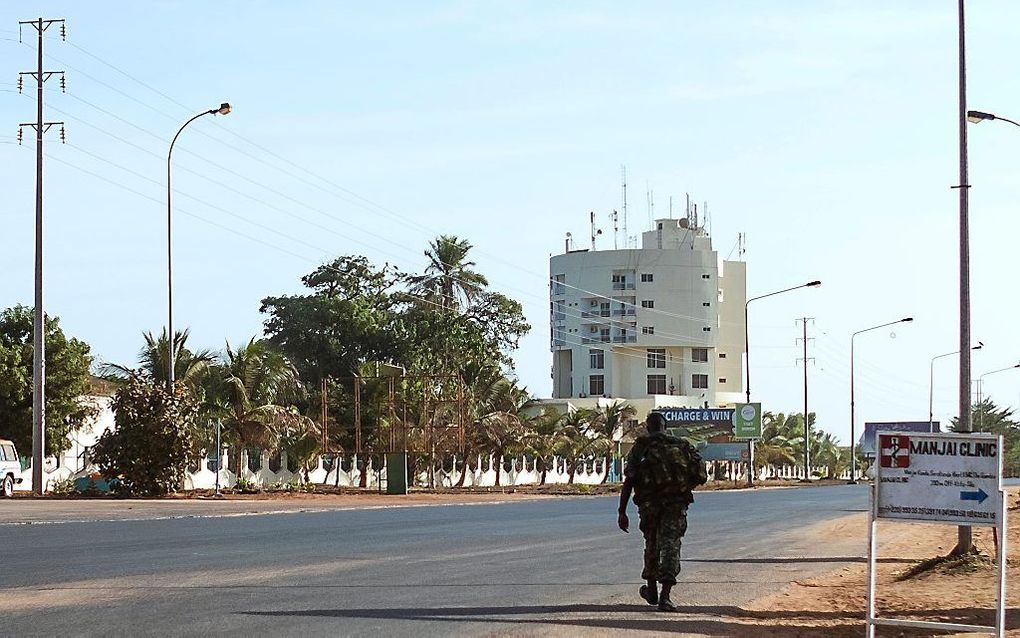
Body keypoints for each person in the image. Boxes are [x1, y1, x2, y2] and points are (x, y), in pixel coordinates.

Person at [617, 412, 707, 612]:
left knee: (652, 543)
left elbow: (629, 480)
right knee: (671, 546)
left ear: (648, 427)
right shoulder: (682, 446)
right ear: (665, 427)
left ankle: (651, 590)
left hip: (650, 505)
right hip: (676, 504)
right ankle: (665, 596)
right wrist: (682, 487)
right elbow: (700, 473)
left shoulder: (641, 447)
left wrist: (622, 511)